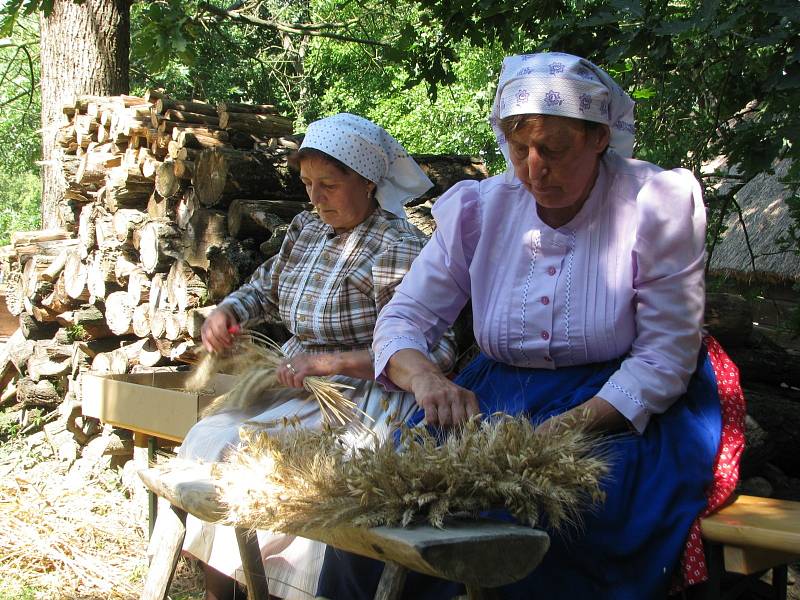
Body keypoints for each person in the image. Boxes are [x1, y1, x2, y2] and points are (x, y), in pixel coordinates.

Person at [316, 53, 742, 599]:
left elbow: (665, 354)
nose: (534, 168)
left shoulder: (653, 203)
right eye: (520, 150)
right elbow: (405, 317)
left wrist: (568, 428)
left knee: (547, 515)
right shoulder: (481, 208)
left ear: (599, 138)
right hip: (498, 394)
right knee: (379, 503)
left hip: (616, 406)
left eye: (554, 150)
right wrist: (425, 379)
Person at [177, 113, 457, 600]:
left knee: (283, 472)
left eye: (328, 184)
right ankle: (226, 590)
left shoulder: (398, 245)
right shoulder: (307, 229)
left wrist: (330, 363)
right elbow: (264, 288)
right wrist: (225, 310)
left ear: (368, 183)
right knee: (210, 439)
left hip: (362, 399)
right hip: (297, 386)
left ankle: (284, 588)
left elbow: (436, 347)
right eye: (307, 183)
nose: (314, 197)